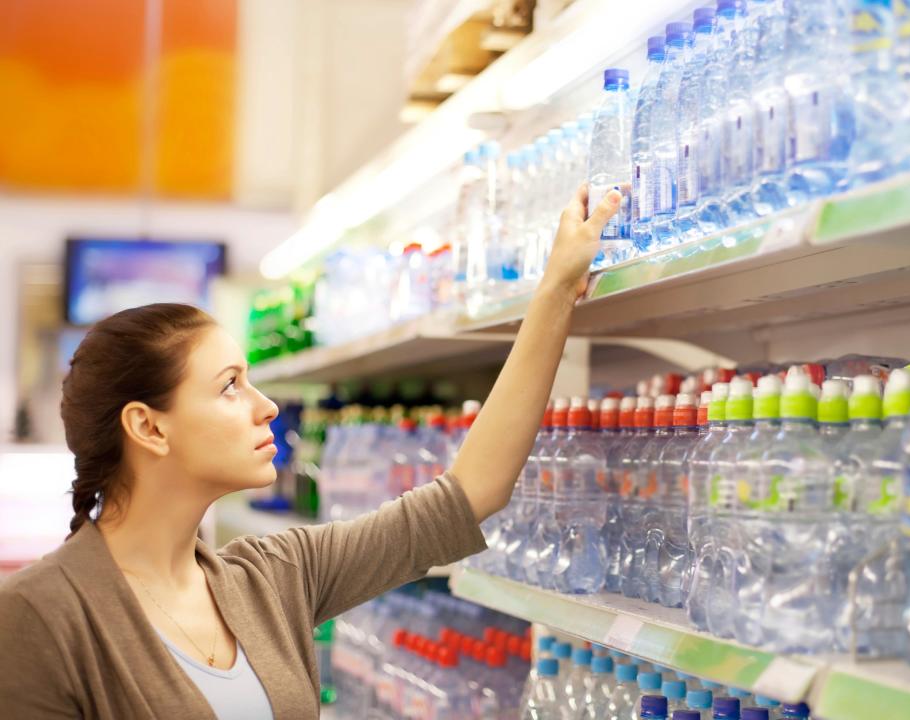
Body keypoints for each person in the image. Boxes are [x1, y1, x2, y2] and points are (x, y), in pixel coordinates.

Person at [0, 186, 623, 718]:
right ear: (149, 427)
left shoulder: (273, 577)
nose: (266, 405)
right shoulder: (40, 616)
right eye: (229, 386)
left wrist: (555, 291)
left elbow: (470, 494)